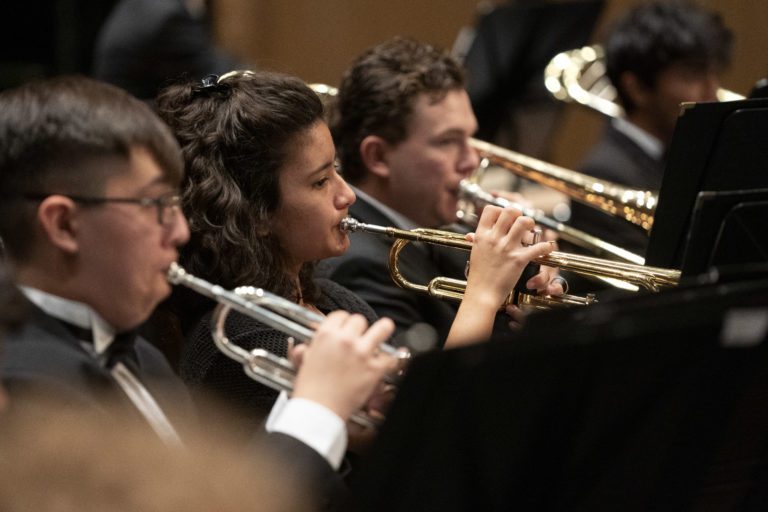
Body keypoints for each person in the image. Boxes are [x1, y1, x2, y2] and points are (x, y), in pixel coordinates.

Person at [0, 75, 396, 509]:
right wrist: (317, 411)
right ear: (64, 225)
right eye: (154, 206)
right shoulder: (24, 391)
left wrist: (305, 400)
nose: (181, 230)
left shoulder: (140, 355)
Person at [154, 69, 555, 436]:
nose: (346, 194)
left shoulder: (334, 300)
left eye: (337, 170)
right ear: (256, 213)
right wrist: (480, 295)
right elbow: (424, 442)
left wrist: (503, 307)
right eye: (320, 182)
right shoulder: (242, 340)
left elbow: (455, 416)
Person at [320, 37, 563, 344]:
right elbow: (424, 389)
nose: (472, 160)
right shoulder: (356, 264)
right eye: (448, 141)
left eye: (469, 139)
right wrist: (487, 294)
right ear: (378, 157)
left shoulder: (438, 230)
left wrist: (526, 282)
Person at [569, 0, 733, 257]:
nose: (713, 92)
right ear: (637, 88)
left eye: (714, 74)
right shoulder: (603, 174)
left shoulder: (695, 154)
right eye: (691, 76)